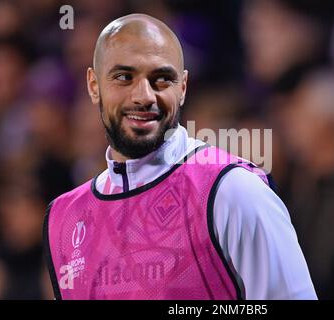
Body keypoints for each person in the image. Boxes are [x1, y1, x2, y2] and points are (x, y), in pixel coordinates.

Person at [43, 13, 316, 300]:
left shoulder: (232, 191)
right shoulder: (64, 219)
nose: (144, 96)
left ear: (182, 88)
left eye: (161, 79)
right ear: (93, 85)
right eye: (124, 77)